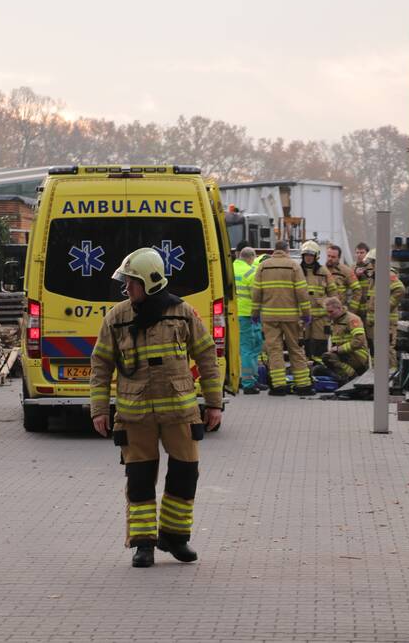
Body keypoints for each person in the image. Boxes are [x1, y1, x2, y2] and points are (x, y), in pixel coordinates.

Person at [90, 247, 223, 568]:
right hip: (135, 415)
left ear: (149, 282)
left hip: (180, 411)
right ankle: (144, 543)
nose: (126, 289)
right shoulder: (118, 317)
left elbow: (207, 356)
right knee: (139, 479)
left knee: (185, 473)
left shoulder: (183, 313)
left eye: (131, 282)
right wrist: (98, 409)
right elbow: (101, 364)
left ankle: (175, 538)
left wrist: (214, 404)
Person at [251, 240, 313, 396]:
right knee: (295, 349)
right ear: (286, 250)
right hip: (291, 316)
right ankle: (303, 385)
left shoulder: (263, 266)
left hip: (270, 317)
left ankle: (279, 386)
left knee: (274, 351)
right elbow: (301, 292)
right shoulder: (293, 266)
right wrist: (306, 314)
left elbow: (256, 292)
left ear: (274, 250)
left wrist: (255, 314)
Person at [357, 248, 406, 367]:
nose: (371, 265)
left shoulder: (388, 274)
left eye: (373, 262)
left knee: (387, 351)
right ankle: (376, 376)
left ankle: (389, 378)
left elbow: (400, 289)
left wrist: (386, 306)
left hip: (386, 322)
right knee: (376, 352)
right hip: (374, 323)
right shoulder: (375, 276)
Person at [299, 240, 337, 361]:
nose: (308, 258)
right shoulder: (297, 271)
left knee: (320, 348)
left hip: (321, 319)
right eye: (306, 255)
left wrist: (327, 306)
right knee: (302, 347)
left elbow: (333, 294)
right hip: (302, 318)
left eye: (311, 255)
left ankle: (320, 372)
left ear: (316, 256)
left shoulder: (324, 272)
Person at [318, 296, 369, 385]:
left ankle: (352, 376)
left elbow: (359, 341)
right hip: (345, 353)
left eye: (331, 311)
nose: (329, 314)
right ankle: (347, 376)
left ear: (340, 308)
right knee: (324, 362)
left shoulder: (352, 319)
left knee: (328, 358)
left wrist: (338, 349)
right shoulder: (335, 320)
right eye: (327, 312)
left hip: (357, 354)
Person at [233, 246, 261, 395]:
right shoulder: (251, 272)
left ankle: (239, 379)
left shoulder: (230, 268)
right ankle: (248, 382)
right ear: (251, 258)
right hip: (247, 314)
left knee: (237, 348)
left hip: (232, 314)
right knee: (248, 350)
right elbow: (256, 296)